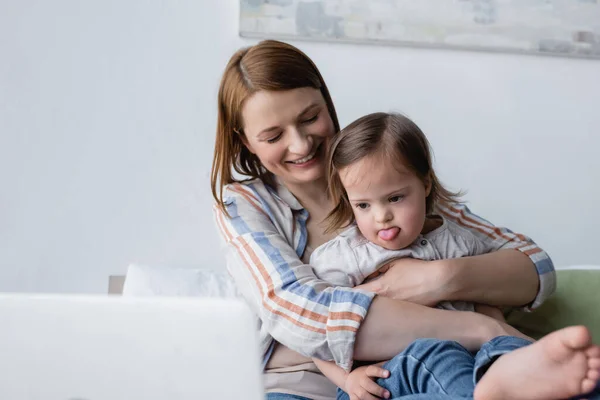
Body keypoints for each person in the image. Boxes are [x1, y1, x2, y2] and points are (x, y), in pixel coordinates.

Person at [211, 39, 556, 400]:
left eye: (310, 118)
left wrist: (439, 278)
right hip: (302, 384)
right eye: (273, 136)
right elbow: (301, 317)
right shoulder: (243, 205)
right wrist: (481, 328)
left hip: (424, 366)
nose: (300, 145)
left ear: (327, 104)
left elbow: (536, 268)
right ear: (246, 141)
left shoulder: (379, 169)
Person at [308, 111, 600, 400]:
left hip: (470, 360)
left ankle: (528, 381)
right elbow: (314, 339)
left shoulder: (458, 242)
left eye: (395, 198)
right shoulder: (342, 258)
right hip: (386, 373)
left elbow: (488, 310)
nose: (381, 216)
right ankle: (488, 393)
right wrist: (348, 380)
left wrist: (507, 344)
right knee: (438, 351)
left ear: (425, 186)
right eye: (363, 206)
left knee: (502, 351)